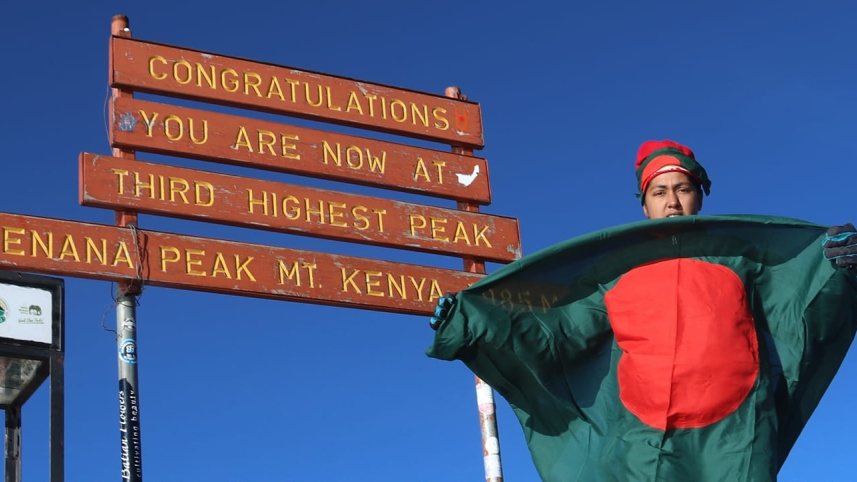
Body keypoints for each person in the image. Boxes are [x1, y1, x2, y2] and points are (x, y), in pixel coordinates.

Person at [427, 140, 857, 481]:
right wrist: (476, 322)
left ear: (698, 197)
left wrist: (838, 268)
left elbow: (799, 313)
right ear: (644, 203)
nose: (672, 201)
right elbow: (556, 336)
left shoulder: (742, 261)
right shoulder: (614, 276)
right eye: (660, 191)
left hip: (737, 436)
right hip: (646, 442)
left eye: (683, 188)